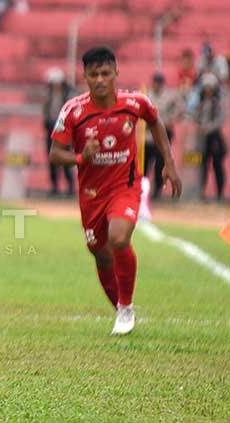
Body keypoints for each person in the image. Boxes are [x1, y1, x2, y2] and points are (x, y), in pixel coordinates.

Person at [49, 46, 182, 335]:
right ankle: (120, 310)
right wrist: (83, 156)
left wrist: (169, 163)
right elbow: (55, 155)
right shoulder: (73, 111)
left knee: (119, 238)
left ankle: (125, 307)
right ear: (84, 76)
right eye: (94, 74)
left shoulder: (134, 103)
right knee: (100, 252)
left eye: (105, 73)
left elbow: (156, 120)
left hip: (126, 185)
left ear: (116, 73)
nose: (100, 80)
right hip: (92, 193)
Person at [145, 72, 180, 200]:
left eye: (158, 83)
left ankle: (157, 191)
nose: (156, 85)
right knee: (144, 164)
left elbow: (178, 110)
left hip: (163, 135)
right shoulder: (147, 95)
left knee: (160, 163)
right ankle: (142, 190)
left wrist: (170, 120)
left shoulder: (169, 96)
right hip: (148, 136)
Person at [42, 67, 74, 197]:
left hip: (64, 130)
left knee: (65, 159)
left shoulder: (68, 95)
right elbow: (46, 112)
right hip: (51, 129)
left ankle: (70, 187)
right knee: (52, 159)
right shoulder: (48, 96)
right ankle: (54, 186)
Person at [195, 73, 226, 202]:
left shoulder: (217, 103)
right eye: (205, 87)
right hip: (203, 138)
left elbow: (219, 120)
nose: (208, 90)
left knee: (217, 165)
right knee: (202, 165)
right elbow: (196, 117)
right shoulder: (200, 103)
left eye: (210, 87)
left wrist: (207, 128)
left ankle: (220, 193)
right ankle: (201, 191)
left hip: (214, 138)